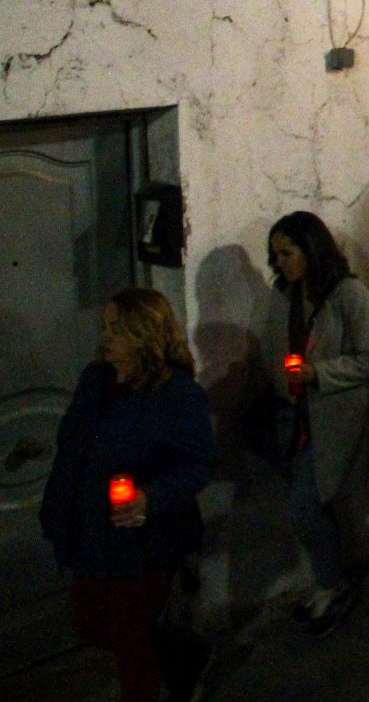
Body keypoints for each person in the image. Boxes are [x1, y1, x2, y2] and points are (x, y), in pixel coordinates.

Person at [41, 289, 216, 702]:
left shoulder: (178, 395)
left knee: (129, 644)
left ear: (144, 335)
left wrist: (150, 498)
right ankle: (184, 652)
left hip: (142, 540)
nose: (105, 339)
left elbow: (198, 465)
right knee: (93, 627)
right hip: (85, 529)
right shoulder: (95, 379)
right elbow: (74, 447)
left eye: (116, 330)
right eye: (104, 328)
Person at [263, 210, 369, 632]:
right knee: (315, 502)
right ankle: (335, 577)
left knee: (305, 504)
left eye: (287, 252)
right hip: (296, 416)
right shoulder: (286, 295)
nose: (279, 262)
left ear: (311, 251)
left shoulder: (349, 294)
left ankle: (333, 584)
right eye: (275, 254)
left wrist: (320, 374)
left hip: (335, 418)